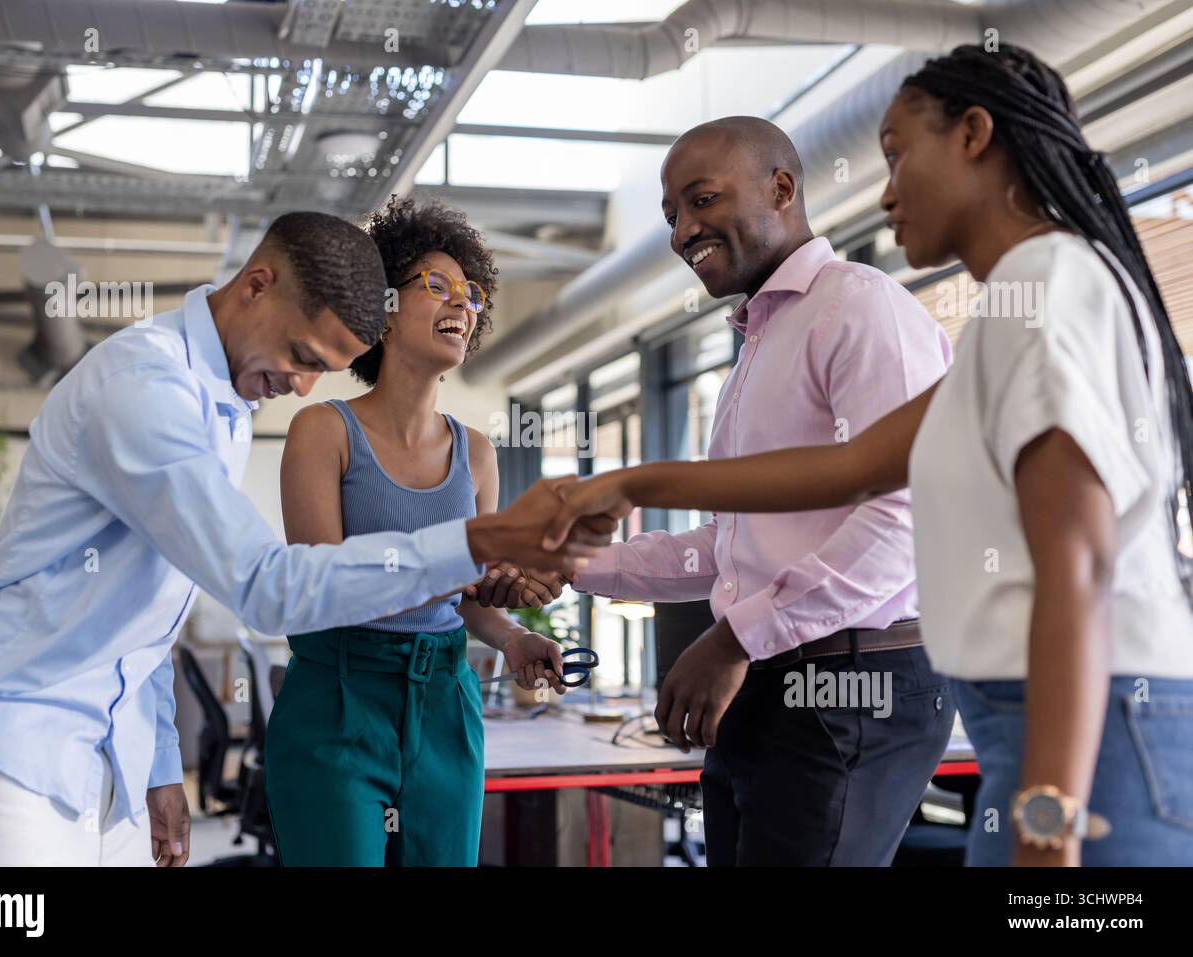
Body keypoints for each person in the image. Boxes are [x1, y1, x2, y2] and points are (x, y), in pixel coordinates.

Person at [544, 45, 1193, 866]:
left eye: (896, 156)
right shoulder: (1011, 310)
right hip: (1035, 722)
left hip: (1097, 734)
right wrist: (625, 486)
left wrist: (1044, 823)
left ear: (973, 135)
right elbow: (846, 471)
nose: (884, 190)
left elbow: (1075, 565)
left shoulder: (1048, 287)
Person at [0, 211, 614, 867]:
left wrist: (159, 764)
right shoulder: (144, 388)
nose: (302, 387)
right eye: (302, 355)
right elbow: (272, 587)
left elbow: (145, 612)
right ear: (256, 286)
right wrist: (480, 539)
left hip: (101, 759)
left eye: (321, 370)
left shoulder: (229, 403)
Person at [550, 115, 955, 866]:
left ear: (782, 187)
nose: (682, 231)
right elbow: (731, 545)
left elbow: (906, 519)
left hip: (848, 683)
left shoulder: (859, 307)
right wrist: (567, 567)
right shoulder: (761, 342)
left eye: (701, 200)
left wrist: (735, 637)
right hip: (769, 678)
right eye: (672, 215)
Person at [267, 197, 569, 866]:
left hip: (442, 698)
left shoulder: (479, 453)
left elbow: (465, 600)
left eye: (472, 293)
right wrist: (463, 567)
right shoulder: (323, 431)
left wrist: (514, 635)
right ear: (386, 305)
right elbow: (326, 584)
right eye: (436, 284)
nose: (461, 302)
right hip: (340, 698)